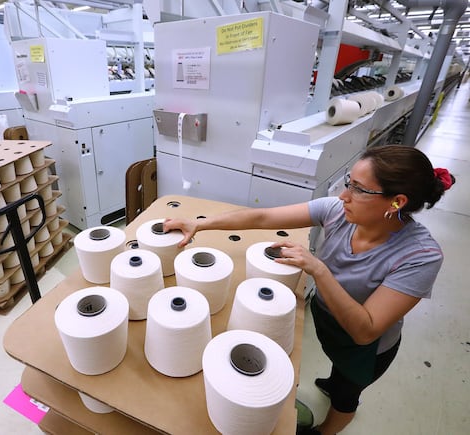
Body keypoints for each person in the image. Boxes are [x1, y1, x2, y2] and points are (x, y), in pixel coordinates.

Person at [163, 145, 455, 435]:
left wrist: (317, 268)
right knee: (334, 370)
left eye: (358, 189)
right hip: (330, 319)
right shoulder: (338, 211)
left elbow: (365, 329)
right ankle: (331, 379)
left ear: (397, 202)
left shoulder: (420, 257)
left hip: (365, 348)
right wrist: (198, 224)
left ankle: (324, 431)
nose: (344, 196)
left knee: (346, 393)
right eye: (348, 183)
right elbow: (262, 218)